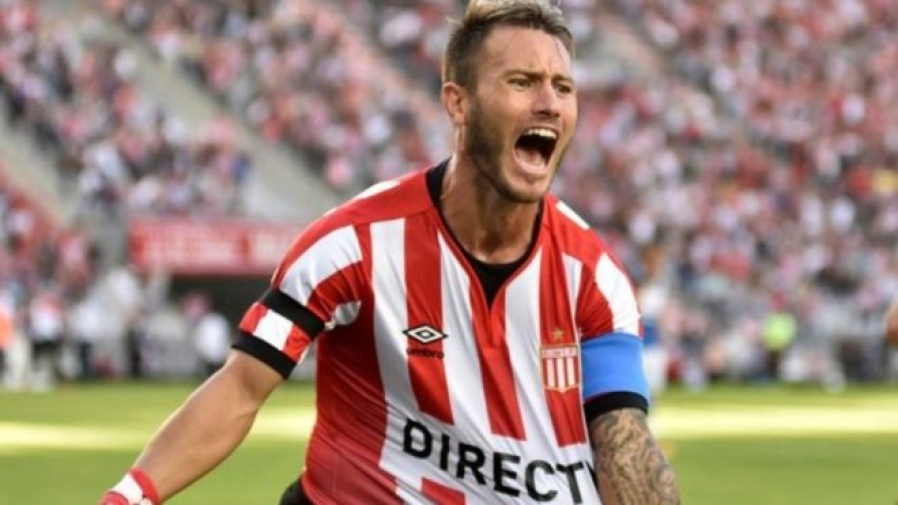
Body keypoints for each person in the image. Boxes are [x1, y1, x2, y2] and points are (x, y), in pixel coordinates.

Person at [99, 1, 680, 504]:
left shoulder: (592, 277)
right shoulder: (354, 244)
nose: (550, 103)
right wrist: (128, 496)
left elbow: (623, 438)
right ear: (458, 103)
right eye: (522, 82)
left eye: (563, 87)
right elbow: (241, 387)